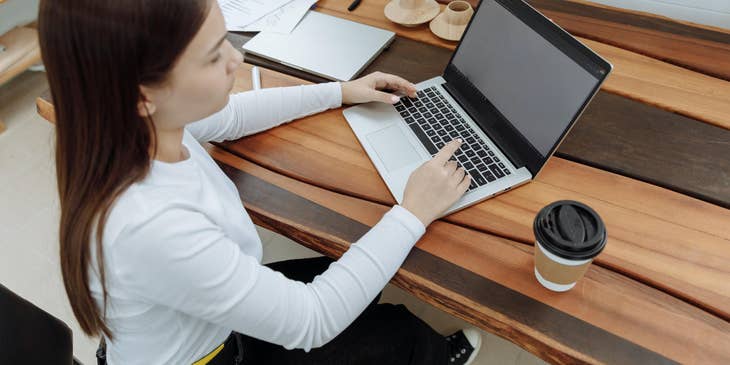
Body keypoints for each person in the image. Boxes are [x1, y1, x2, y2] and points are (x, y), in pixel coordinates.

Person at [38, 0, 481, 364]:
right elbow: (312, 319)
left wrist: (340, 91)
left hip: (205, 323)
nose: (239, 58)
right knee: (401, 332)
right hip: (213, 356)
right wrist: (413, 212)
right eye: (214, 55)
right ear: (143, 96)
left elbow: (231, 116)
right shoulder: (148, 226)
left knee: (352, 274)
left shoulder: (125, 124)